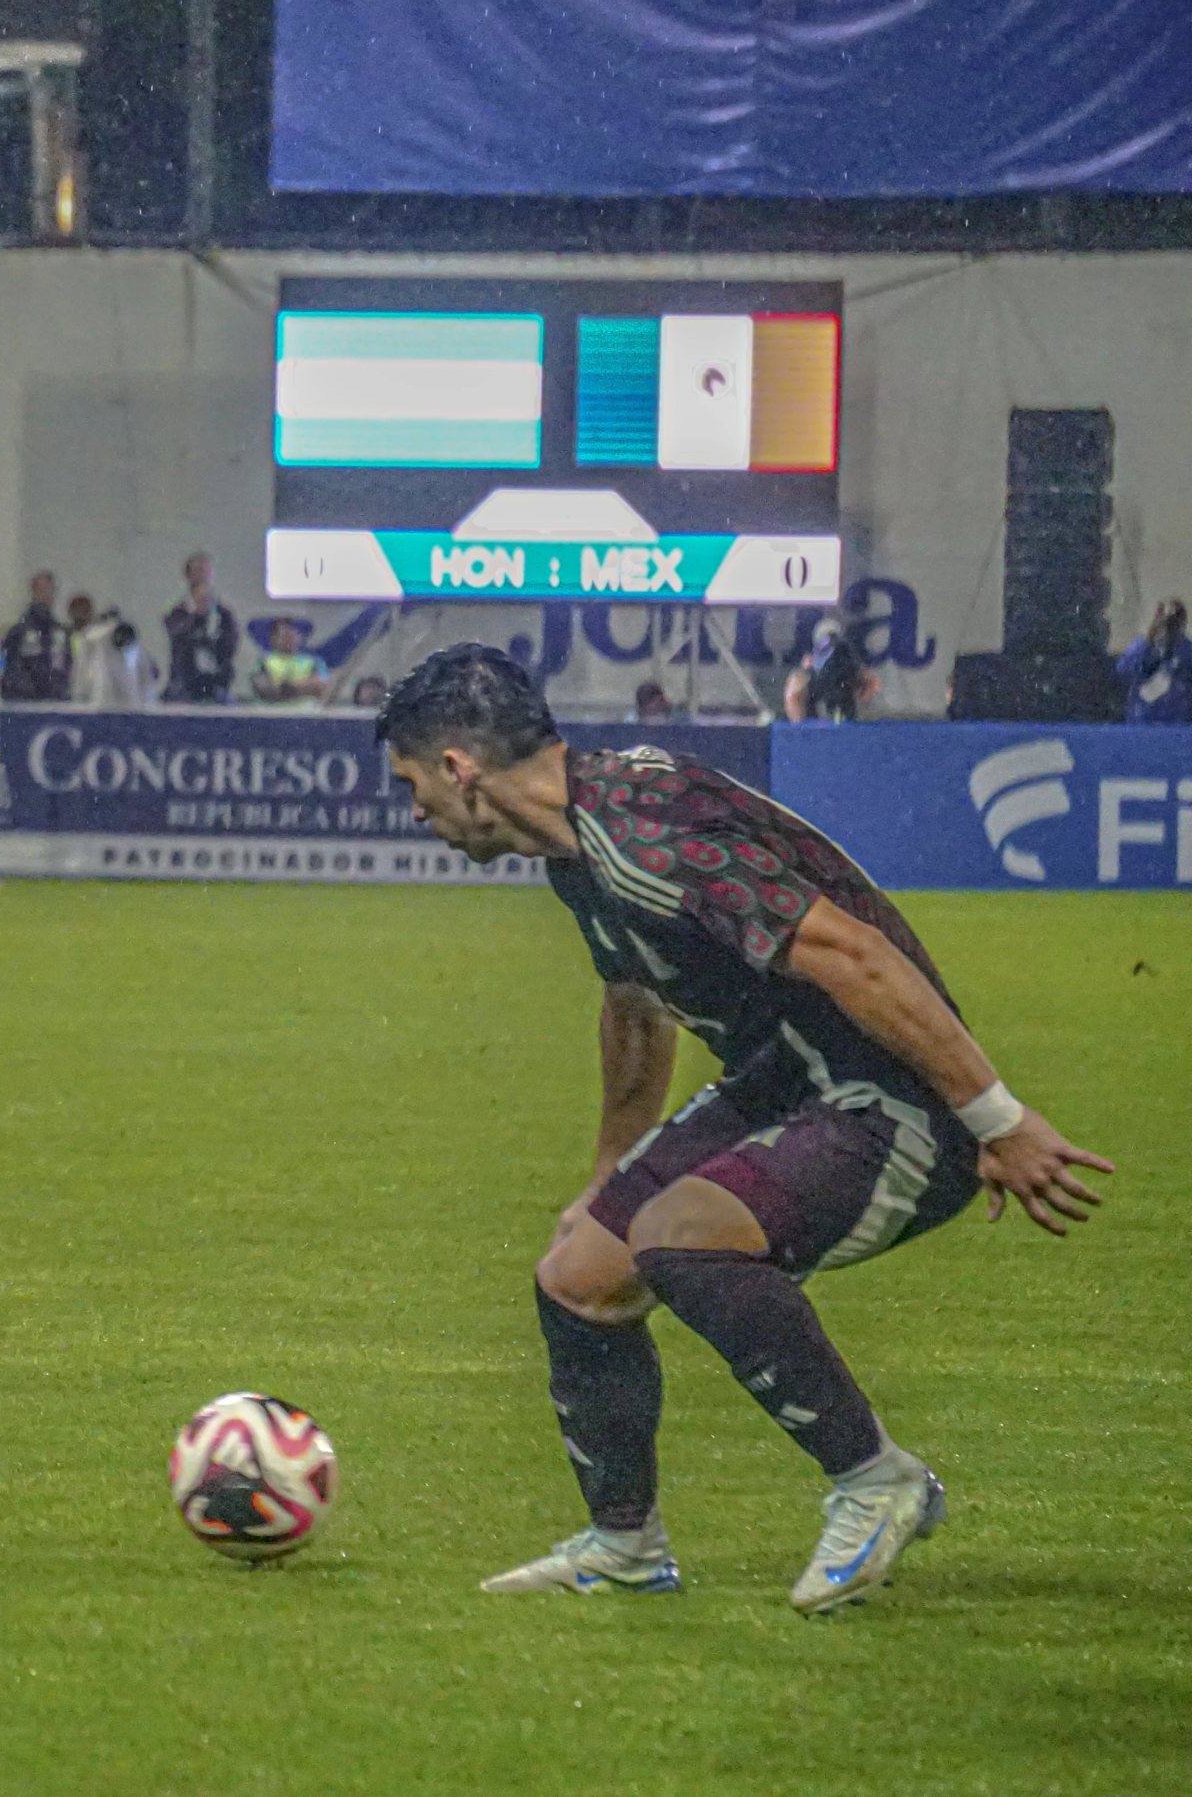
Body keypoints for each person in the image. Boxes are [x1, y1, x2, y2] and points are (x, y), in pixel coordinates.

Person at [374, 644, 1111, 1614]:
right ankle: (623, 1545)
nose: (415, 810)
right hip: (788, 1080)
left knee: (681, 1238)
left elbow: (853, 956)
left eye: (413, 784)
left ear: (460, 769)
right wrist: (609, 1171)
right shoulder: (579, 846)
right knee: (578, 1272)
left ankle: (874, 1478)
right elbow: (635, 1002)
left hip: (893, 1099)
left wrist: (996, 1119)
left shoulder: (644, 838)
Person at [163, 552, 241, 705]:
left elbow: (231, 644)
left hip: (216, 683)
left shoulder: (222, 614)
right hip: (185, 684)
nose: (202, 576)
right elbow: (176, 636)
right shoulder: (179, 613)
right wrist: (196, 615)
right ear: (188, 575)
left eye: (205, 571)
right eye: (198, 570)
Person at [1115, 597, 1190, 724]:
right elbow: (1123, 670)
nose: (1168, 623)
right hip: (1141, 722)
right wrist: (1149, 639)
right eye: (1161, 615)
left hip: (1178, 726)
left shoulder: (1187, 652)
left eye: (1175, 618)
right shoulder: (1142, 646)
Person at [0, 571, 71, 702]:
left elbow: (66, 666)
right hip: (25, 705)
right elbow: (13, 669)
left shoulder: (61, 633)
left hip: (56, 704)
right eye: (41, 590)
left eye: (49, 591)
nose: (45, 596)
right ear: (33, 592)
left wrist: (58, 691)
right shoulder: (18, 632)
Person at [251, 618, 336, 707]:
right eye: (284, 634)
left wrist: (290, 687)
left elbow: (323, 686)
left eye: (292, 632)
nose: (289, 637)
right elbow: (264, 689)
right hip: (272, 712)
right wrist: (302, 687)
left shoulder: (313, 662)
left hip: (306, 712)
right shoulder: (265, 661)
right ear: (274, 638)